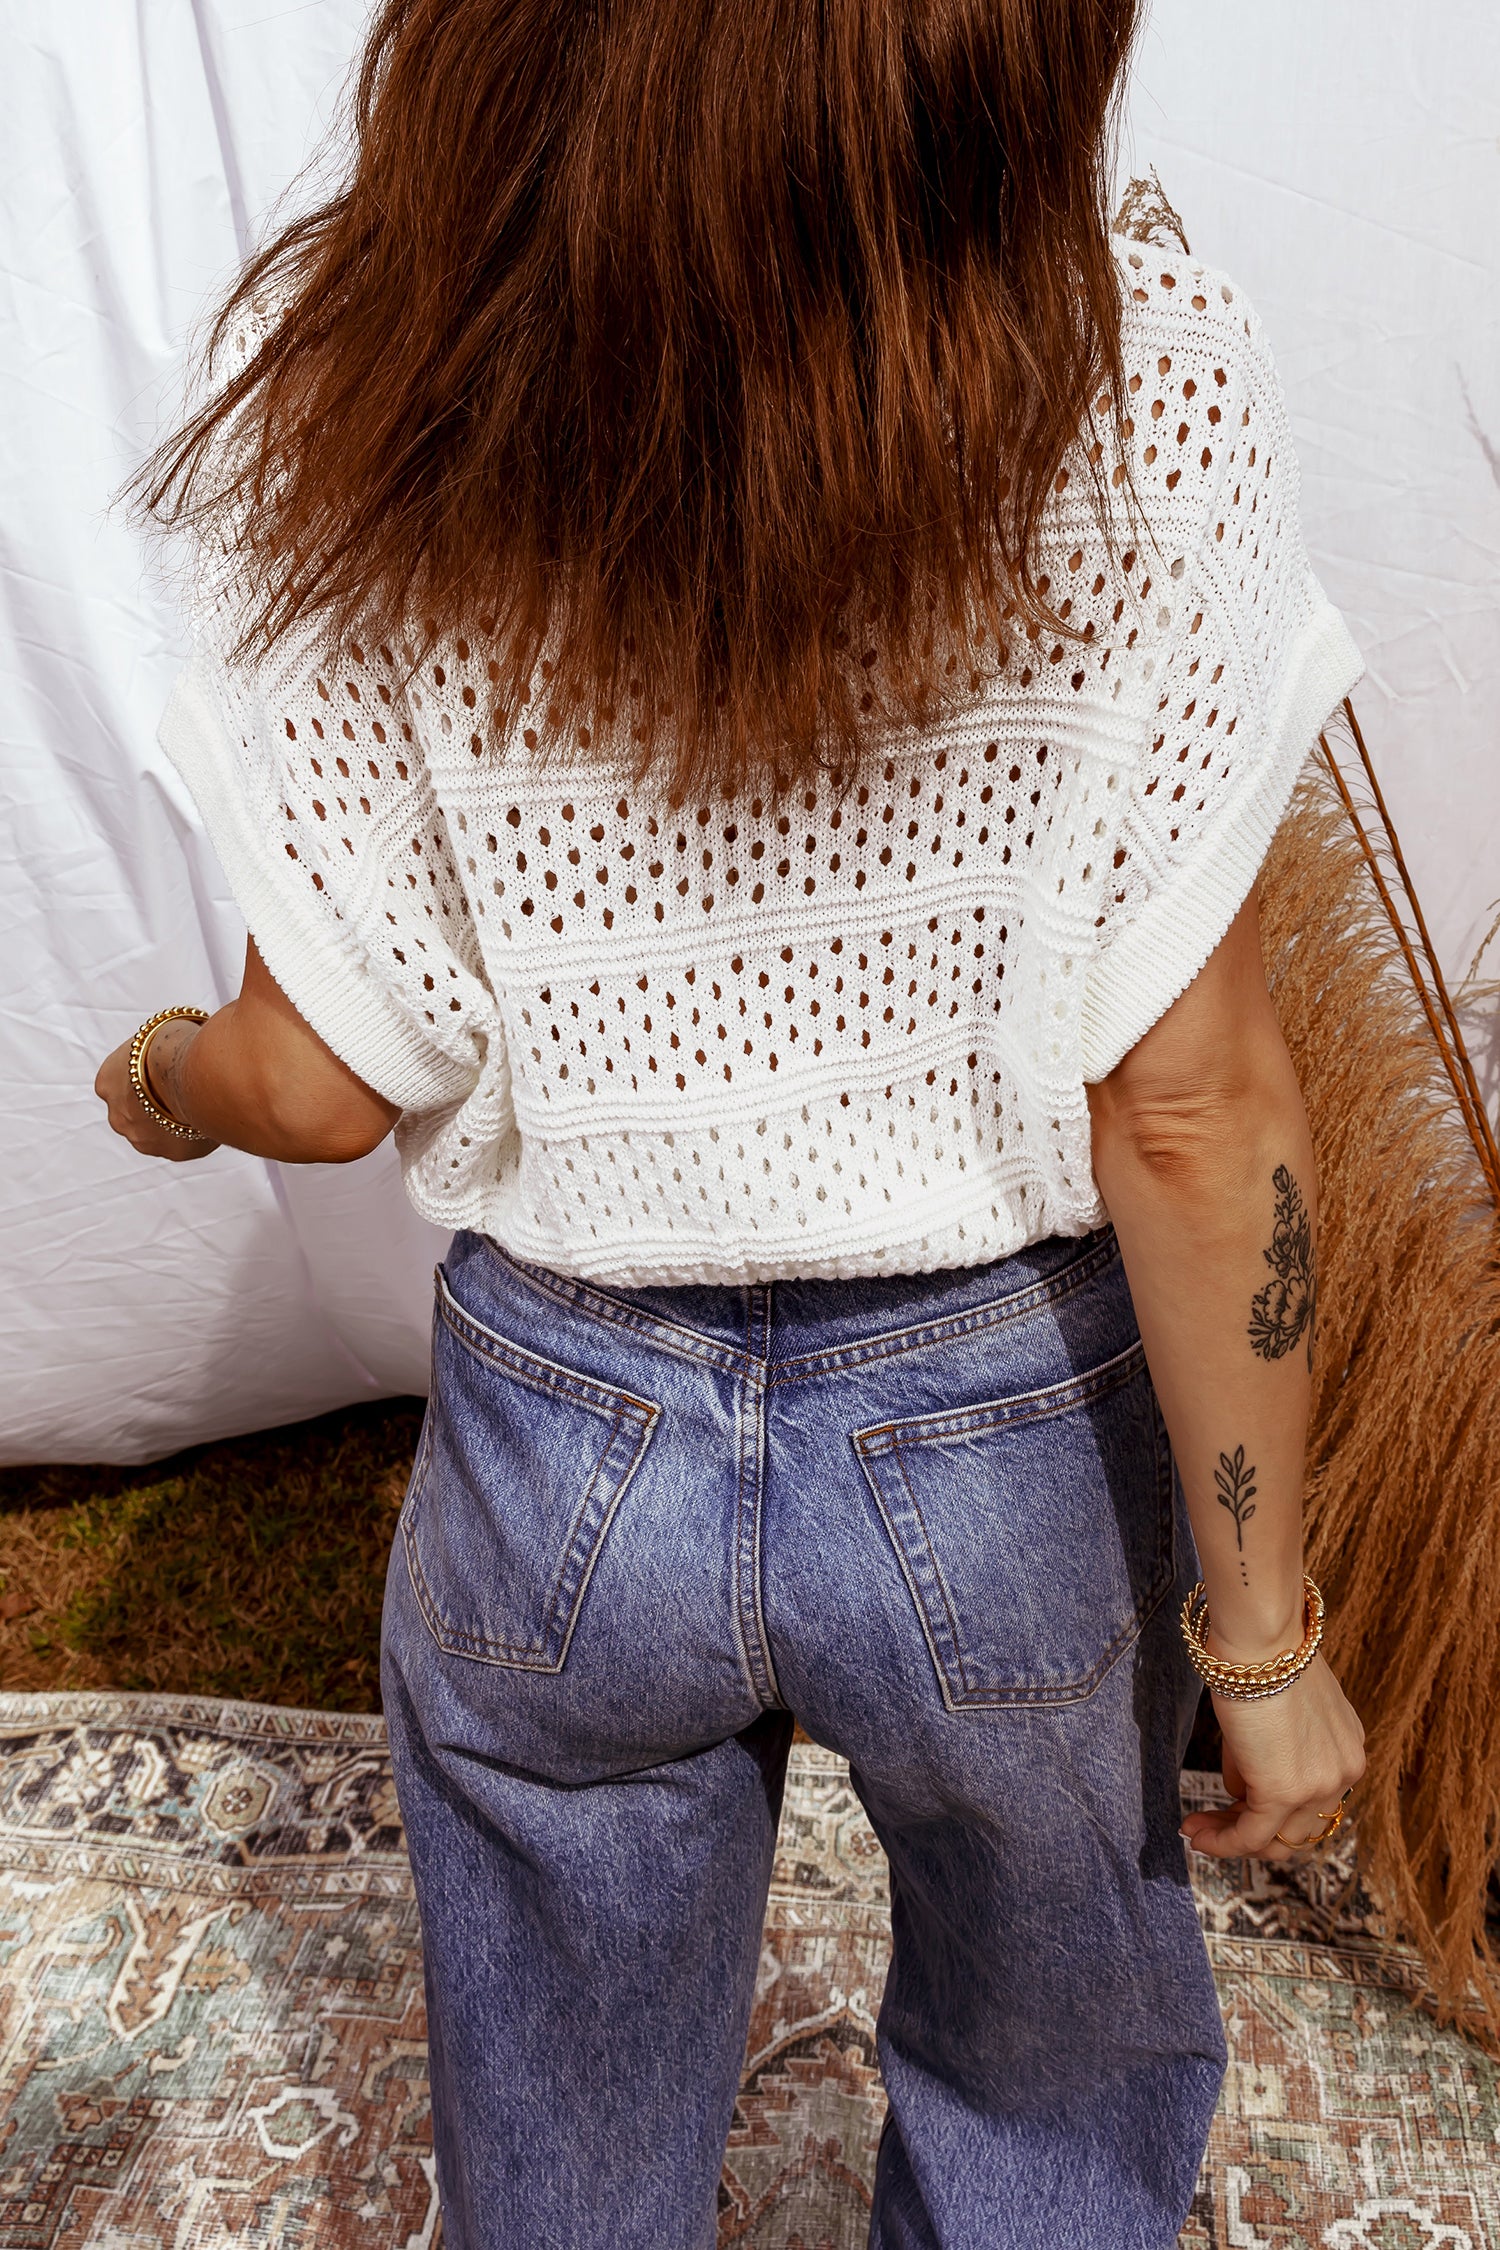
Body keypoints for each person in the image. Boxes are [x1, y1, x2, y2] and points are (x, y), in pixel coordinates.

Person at [95, 0, 1366, 2240]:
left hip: (565, 1439)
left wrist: (165, 1079)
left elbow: (312, 1077)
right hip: (1002, 1438)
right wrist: (1262, 1647)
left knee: (563, 2126)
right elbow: (1190, 1107)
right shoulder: (1140, 361)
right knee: (1046, 2077)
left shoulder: (396, 373)